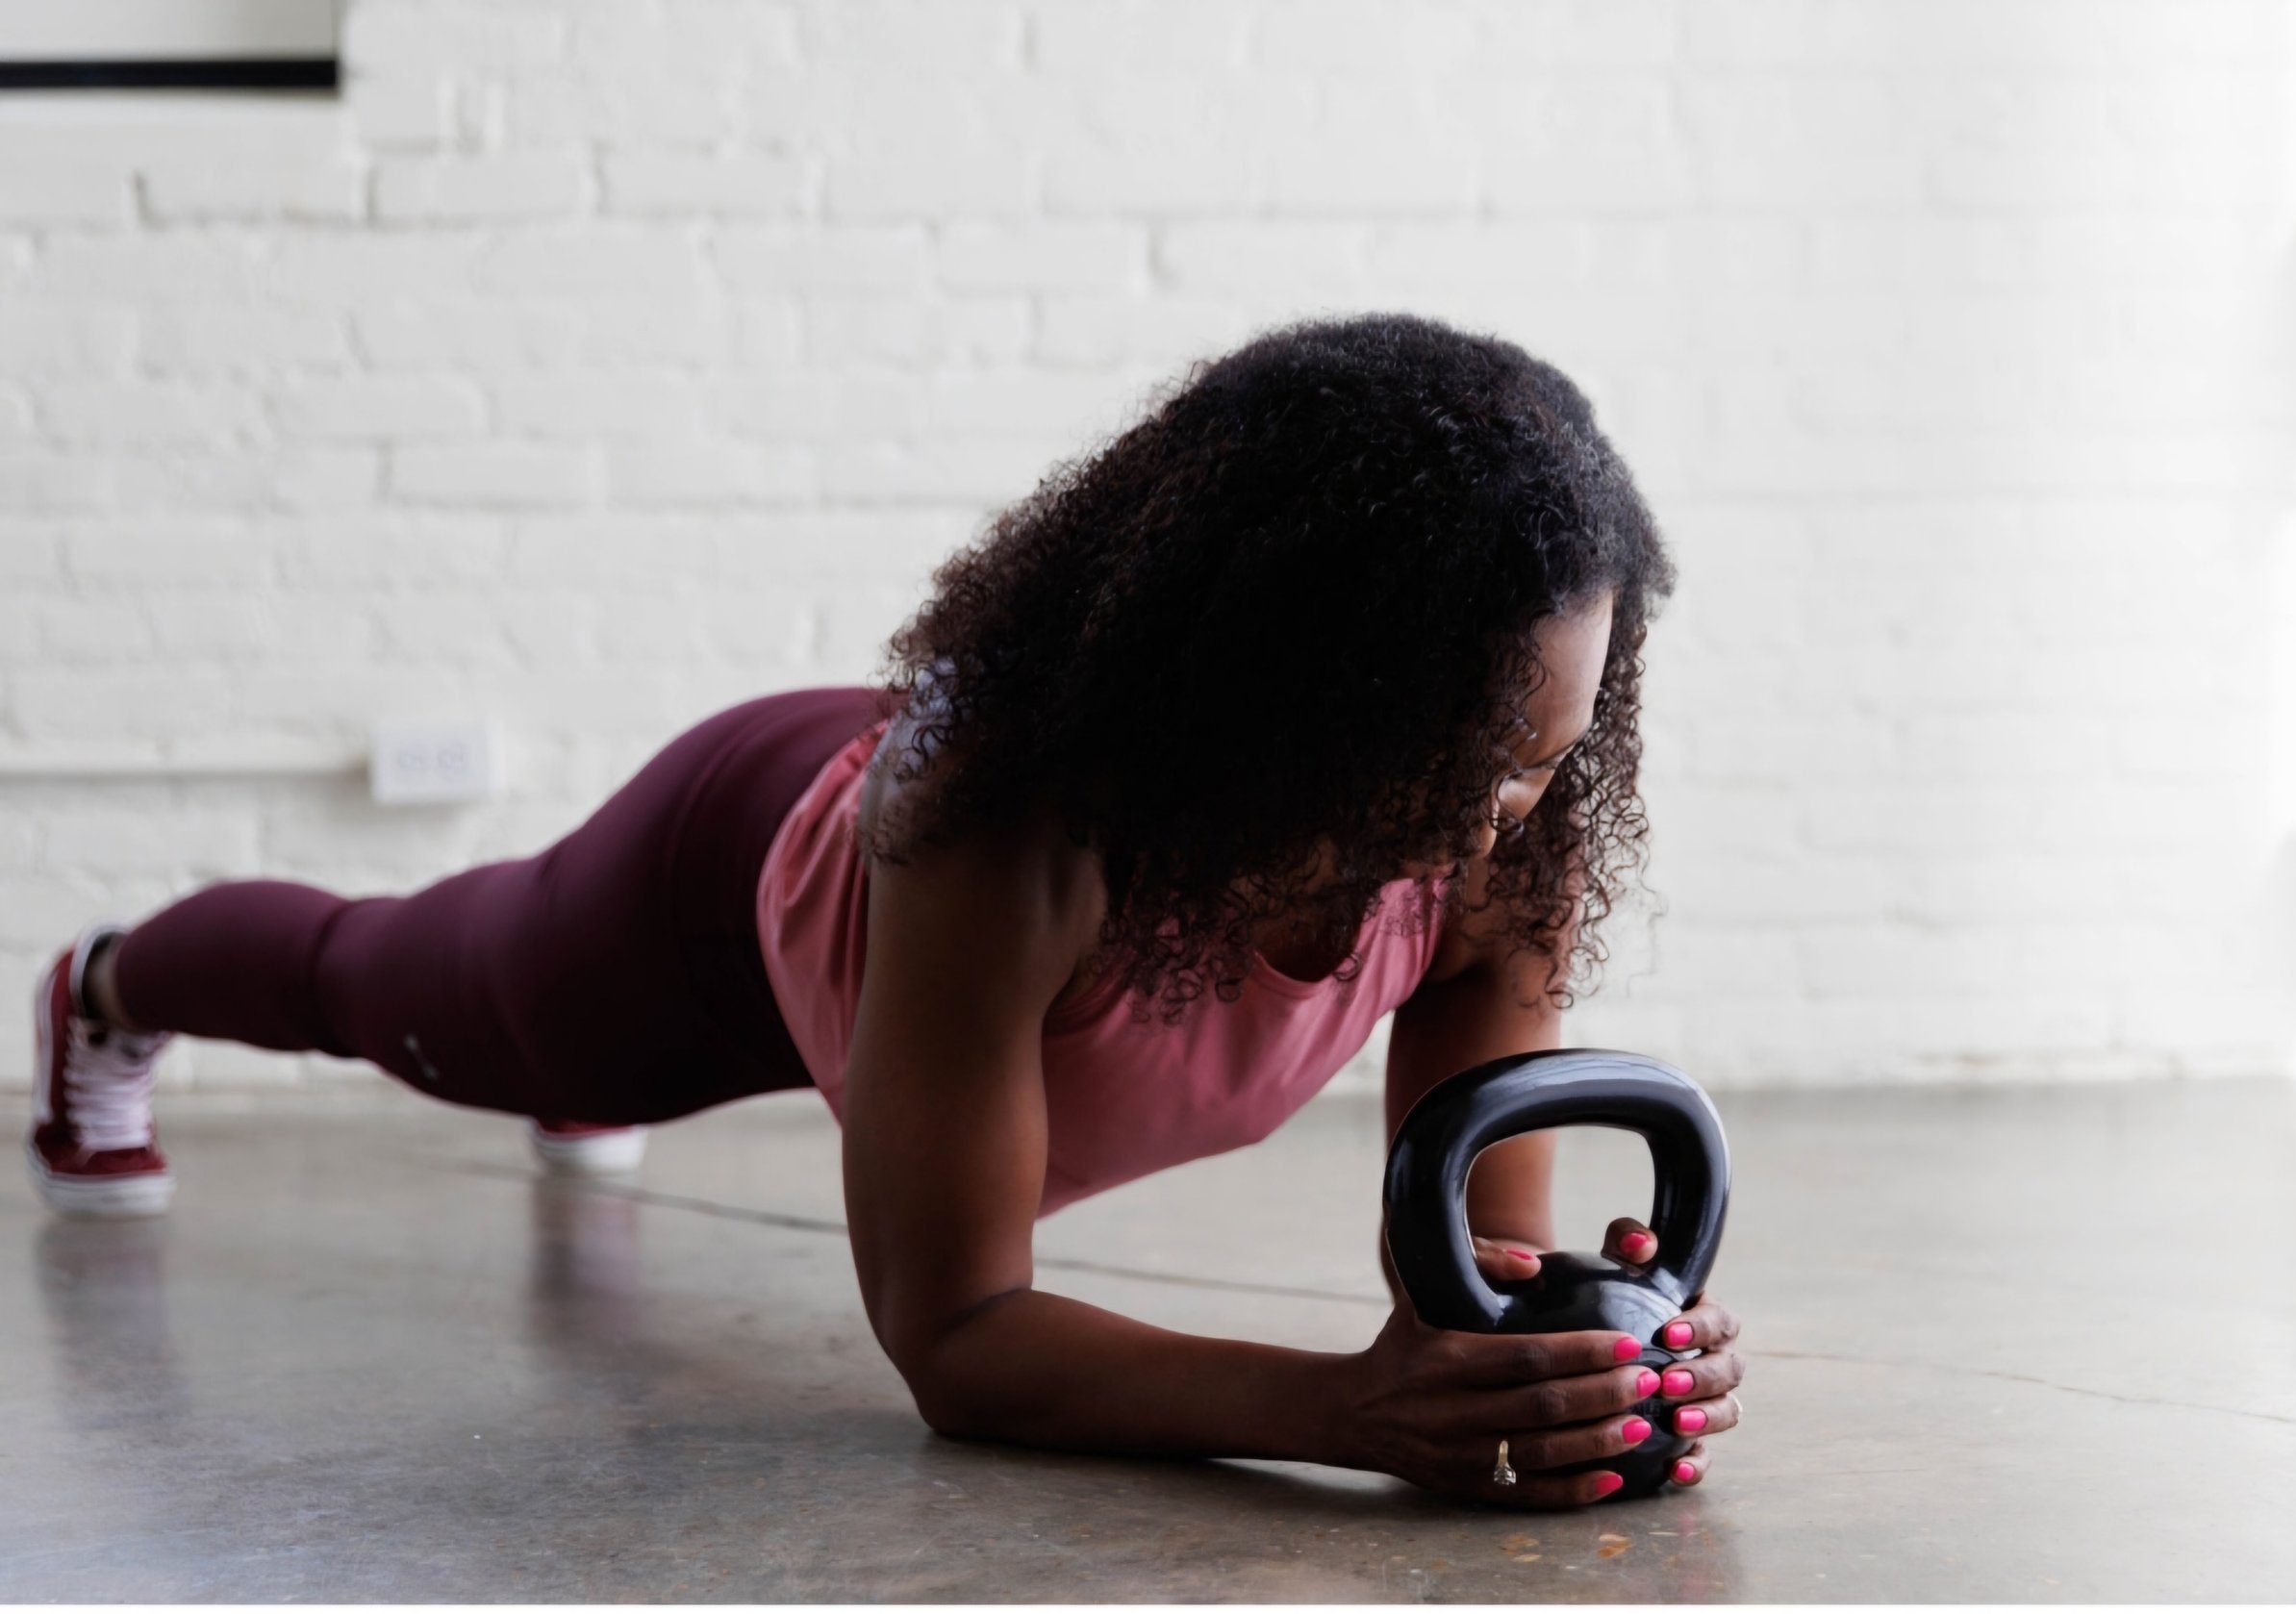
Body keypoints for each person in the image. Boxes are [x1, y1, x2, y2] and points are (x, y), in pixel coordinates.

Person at [27, 313, 1744, 1510]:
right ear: (1276, 691)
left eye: (1533, 759)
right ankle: (105, 986)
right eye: (1432, 757)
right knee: (390, 982)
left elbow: (1473, 1267)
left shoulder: (1509, 834)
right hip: (713, 904)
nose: (1478, 817)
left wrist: (1569, 1358)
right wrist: (1342, 1414)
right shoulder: (999, 829)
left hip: (900, 973)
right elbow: (960, 1338)